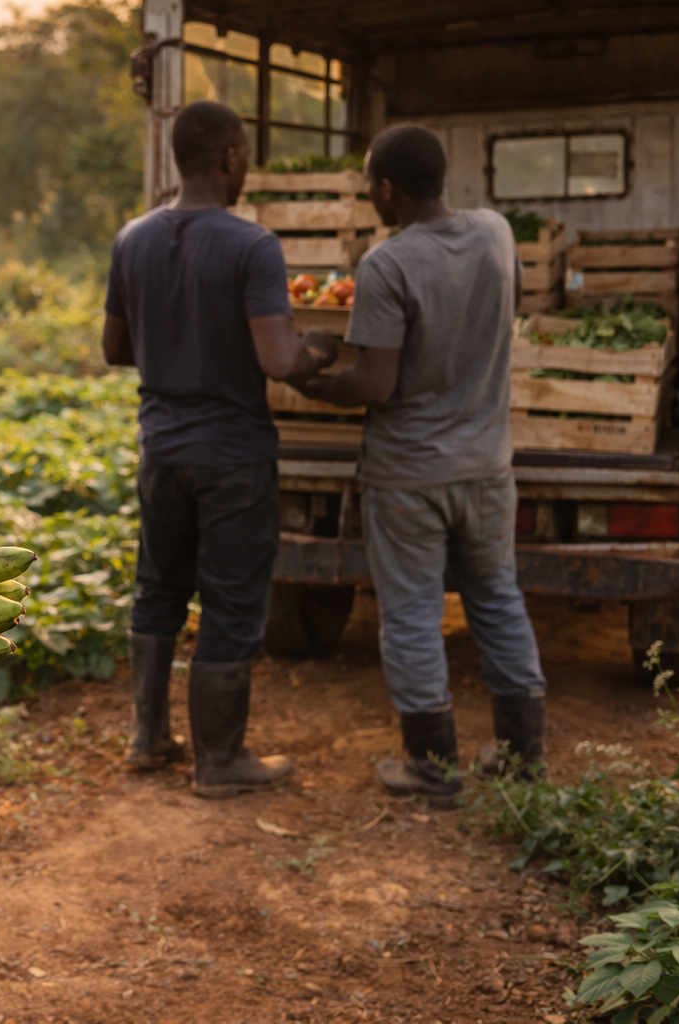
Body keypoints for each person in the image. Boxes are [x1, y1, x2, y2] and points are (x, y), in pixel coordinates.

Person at [289, 124, 548, 807]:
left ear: (386, 189)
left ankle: (432, 771)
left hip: (409, 476)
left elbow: (375, 384)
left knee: (409, 615)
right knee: (497, 600)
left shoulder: (388, 264)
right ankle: (524, 760)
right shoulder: (496, 233)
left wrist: (310, 382)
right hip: (488, 466)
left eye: (370, 185)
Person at [102, 100, 337, 798]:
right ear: (229, 158)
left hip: (162, 451)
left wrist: (175, 332)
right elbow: (278, 360)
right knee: (232, 603)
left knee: (159, 589)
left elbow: (115, 348)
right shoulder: (252, 246)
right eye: (244, 158)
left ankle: (148, 739)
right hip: (232, 455)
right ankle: (220, 760)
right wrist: (317, 352)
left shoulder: (133, 239)